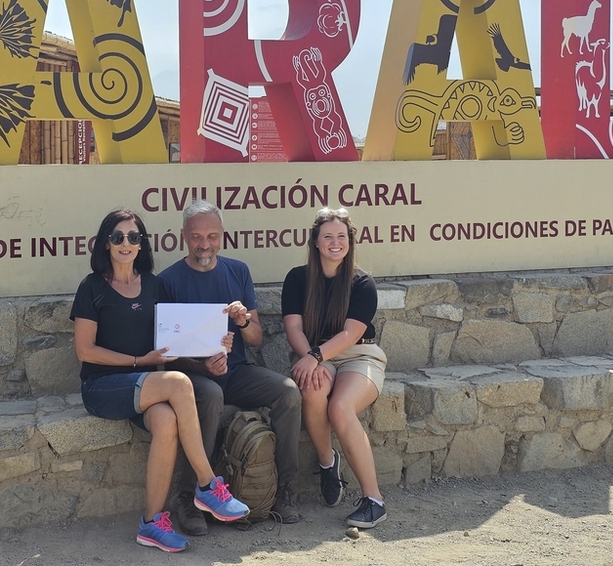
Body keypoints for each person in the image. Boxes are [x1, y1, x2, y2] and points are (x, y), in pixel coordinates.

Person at [71, 208, 249, 553]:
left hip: (145, 387)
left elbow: (177, 335)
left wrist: (217, 344)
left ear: (142, 245)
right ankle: (207, 484)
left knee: (167, 421)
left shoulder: (154, 285)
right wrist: (140, 361)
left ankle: (152, 523)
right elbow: (85, 351)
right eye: (118, 237)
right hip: (102, 387)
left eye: (133, 237)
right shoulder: (91, 287)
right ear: (105, 244)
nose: (126, 243)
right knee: (180, 384)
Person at [159, 200, 302, 534]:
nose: (204, 244)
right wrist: (201, 365)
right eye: (196, 237)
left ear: (222, 236)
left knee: (289, 393)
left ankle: (283, 488)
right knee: (209, 396)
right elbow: (164, 352)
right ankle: (189, 496)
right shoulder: (167, 281)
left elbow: (255, 339)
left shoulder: (238, 271)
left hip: (237, 371)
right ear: (184, 237)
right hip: (192, 376)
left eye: (211, 235)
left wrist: (243, 319)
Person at [281, 207, 389, 529]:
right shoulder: (297, 278)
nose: (335, 242)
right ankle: (328, 464)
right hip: (315, 354)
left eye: (341, 236)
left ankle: (374, 501)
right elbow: (294, 329)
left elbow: (351, 334)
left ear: (350, 241)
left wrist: (315, 357)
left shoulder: (362, 283)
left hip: (360, 356)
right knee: (313, 391)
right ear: (315, 241)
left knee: (341, 408)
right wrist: (313, 358)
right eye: (327, 236)